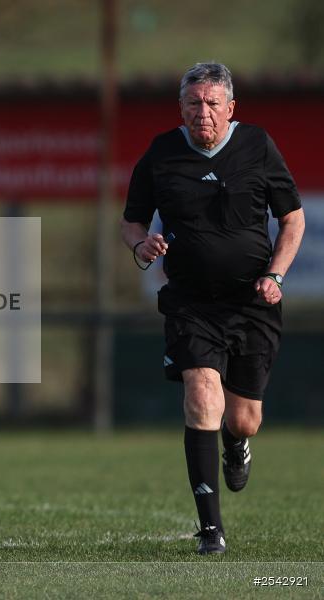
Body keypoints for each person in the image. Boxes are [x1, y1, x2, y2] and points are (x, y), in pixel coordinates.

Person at [121, 62, 305, 554]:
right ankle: (210, 531)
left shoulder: (258, 145)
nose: (202, 113)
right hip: (191, 303)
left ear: (230, 108)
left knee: (243, 418)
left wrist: (275, 275)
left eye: (211, 104)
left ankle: (237, 443)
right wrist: (140, 248)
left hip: (252, 301)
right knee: (202, 396)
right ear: (181, 108)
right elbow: (132, 222)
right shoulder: (161, 153)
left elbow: (293, 218)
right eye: (192, 104)